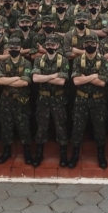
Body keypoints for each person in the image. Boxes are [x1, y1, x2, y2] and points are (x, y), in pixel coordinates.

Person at [68, 33, 108, 169]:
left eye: (93, 44)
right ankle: (74, 155)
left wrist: (85, 78)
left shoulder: (103, 60)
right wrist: (94, 76)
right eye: (87, 44)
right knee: (77, 128)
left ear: (97, 45)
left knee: (100, 128)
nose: (90, 46)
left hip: (98, 100)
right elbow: (76, 81)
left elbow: (102, 82)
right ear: (83, 45)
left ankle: (101, 155)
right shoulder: (78, 60)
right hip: (81, 98)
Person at [31, 33, 71, 168]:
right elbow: (35, 79)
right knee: (41, 127)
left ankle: (63, 155)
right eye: (48, 45)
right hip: (43, 99)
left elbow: (61, 81)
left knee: (61, 127)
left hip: (58, 99)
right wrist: (54, 75)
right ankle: (39, 154)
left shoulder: (63, 60)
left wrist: (45, 76)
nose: (50, 47)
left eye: (53, 45)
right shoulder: (39, 60)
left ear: (58, 45)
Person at [0, 37, 34, 165]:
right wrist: (17, 77)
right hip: (6, 100)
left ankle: (27, 153)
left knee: (24, 127)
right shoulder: (3, 63)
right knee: (6, 127)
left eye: (16, 48)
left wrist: (10, 80)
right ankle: (6, 152)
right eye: (11, 48)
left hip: (21, 101)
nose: (13, 50)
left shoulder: (27, 63)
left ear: (20, 49)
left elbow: (24, 82)